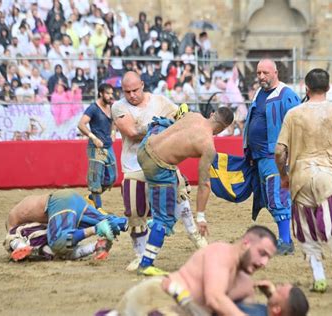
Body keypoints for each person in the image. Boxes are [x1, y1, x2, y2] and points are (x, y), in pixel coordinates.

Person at [275, 68, 332, 297]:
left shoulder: (293, 114)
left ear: (306, 88)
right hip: (328, 175)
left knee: (307, 230)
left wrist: (285, 176)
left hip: (300, 177)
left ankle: (320, 279)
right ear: (328, 87)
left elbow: (279, 152)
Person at [112, 71, 207, 272]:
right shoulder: (118, 107)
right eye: (127, 91)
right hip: (133, 166)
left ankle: (195, 235)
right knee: (135, 212)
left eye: (135, 90)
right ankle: (140, 255)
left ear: (143, 85)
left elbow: (180, 118)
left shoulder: (161, 101)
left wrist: (174, 121)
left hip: (163, 162)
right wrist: (160, 124)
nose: (132, 95)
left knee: (180, 195)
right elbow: (132, 132)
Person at [135, 105, 234, 275]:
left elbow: (175, 118)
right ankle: (146, 263)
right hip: (158, 166)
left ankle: (160, 220)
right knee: (163, 220)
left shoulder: (192, 115)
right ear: (224, 128)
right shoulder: (208, 146)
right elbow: (204, 184)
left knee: (179, 189)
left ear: (211, 114)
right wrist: (201, 216)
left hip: (144, 147)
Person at [117, 226, 279, 315]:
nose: (264, 262)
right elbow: (214, 299)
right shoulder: (221, 253)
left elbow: (257, 312)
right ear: (246, 243)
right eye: (262, 253)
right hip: (159, 296)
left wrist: (273, 296)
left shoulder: (245, 284)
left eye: (268, 258)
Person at [243, 59, 301, 255]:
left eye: (265, 73)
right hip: (259, 156)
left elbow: (297, 127)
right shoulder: (259, 93)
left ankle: (286, 241)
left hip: (276, 157)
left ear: (276, 73)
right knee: (269, 199)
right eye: (258, 73)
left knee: (277, 198)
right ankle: (285, 237)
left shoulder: (287, 95)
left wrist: (289, 157)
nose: (261, 77)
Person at [4, 189, 128, 261]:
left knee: (57, 242)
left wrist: (19, 247)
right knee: (105, 220)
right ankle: (137, 224)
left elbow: (12, 238)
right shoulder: (23, 213)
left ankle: (96, 229)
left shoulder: (14, 224)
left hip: (59, 203)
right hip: (73, 199)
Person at [78, 83, 117, 212]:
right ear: (101, 93)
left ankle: (91, 197)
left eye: (111, 93)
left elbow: (115, 121)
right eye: (108, 93)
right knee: (96, 178)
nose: (110, 96)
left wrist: (113, 132)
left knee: (112, 177)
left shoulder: (111, 107)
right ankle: (98, 208)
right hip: (96, 148)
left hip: (108, 146)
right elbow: (81, 124)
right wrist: (93, 137)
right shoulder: (93, 108)